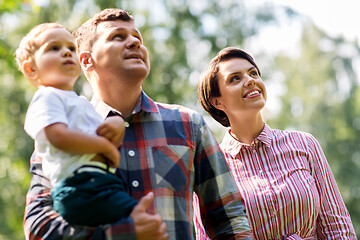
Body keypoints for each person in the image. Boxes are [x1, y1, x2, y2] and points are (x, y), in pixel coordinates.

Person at [23, 9, 254, 240]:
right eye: (118, 36)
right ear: (86, 60)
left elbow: (229, 219)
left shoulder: (188, 124)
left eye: (138, 38)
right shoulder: (60, 127)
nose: (134, 42)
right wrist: (117, 234)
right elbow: (37, 225)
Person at [194, 47, 357, 239]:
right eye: (235, 78)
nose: (250, 80)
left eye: (253, 73)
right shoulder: (210, 167)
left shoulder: (304, 145)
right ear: (217, 102)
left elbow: (337, 227)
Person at [15, 22, 138, 227]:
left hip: (99, 182)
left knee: (136, 220)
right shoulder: (47, 97)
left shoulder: (80, 102)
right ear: (31, 68)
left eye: (71, 48)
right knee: (137, 219)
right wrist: (104, 147)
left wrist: (116, 123)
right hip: (79, 185)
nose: (66, 53)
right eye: (54, 48)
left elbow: (102, 132)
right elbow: (58, 137)